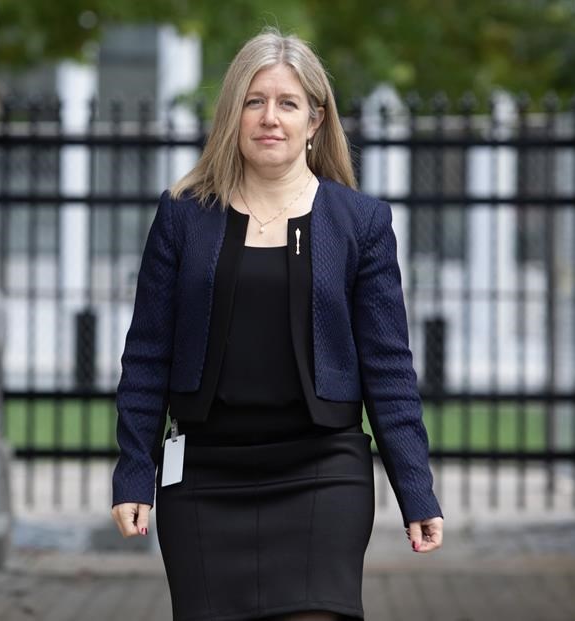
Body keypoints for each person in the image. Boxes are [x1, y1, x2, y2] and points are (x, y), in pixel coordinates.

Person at [110, 27, 444, 621]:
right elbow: (146, 358)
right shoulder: (184, 217)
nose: (270, 118)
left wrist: (415, 488)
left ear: (315, 121)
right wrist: (136, 470)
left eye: (288, 103)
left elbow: (389, 367)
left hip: (322, 472)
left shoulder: (360, 223)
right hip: (205, 474)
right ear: (233, 114)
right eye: (254, 101)